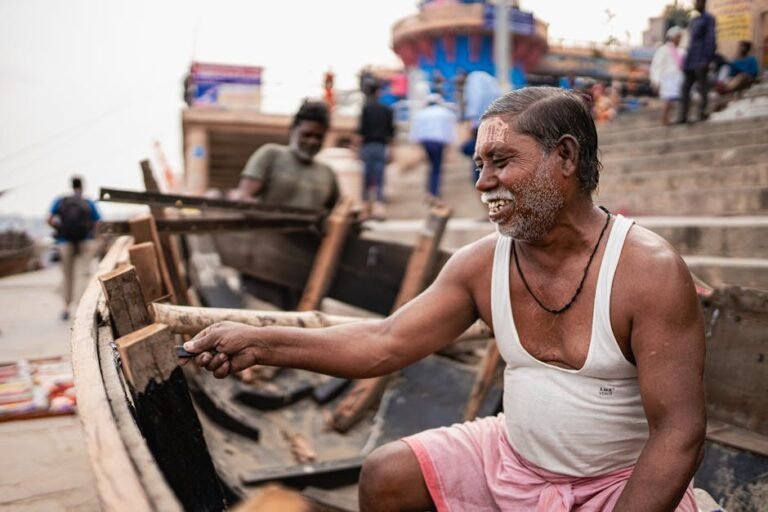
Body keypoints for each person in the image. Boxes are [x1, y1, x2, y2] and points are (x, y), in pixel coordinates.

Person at [183, 87, 706, 511]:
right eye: (478, 164)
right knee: (387, 475)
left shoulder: (648, 272)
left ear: (565, 156)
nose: (483, 182)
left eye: (501, 161)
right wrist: (260, 342)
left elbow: (679, 431)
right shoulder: (481, 264)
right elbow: (383, 343)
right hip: (512, 459)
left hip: (616, 484)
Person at [235, 101, 339, 211]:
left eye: (319, 137)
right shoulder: (270, 155)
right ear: (293, 129)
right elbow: (243, 198)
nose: (312, 141)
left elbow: (338, 212)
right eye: (307, 135)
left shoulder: (328, 173)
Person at [48, 176, 101, 320]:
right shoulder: (88, 202)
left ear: (71, 186)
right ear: (82, 186)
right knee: (82, 274)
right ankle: (80, 307)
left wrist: (59, 231)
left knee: (67, 275)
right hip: (85, 242)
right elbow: (97, 222)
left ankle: (65, 308)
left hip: (65, 242)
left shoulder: (61, 201)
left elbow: (49, 219)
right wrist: (95, 238)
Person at [409, 93, 457, 200]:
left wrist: (416, 146)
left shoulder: (421, 114)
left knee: (431, 166)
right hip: (438, 142)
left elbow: (415, 131)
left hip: (426, 142)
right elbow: (450, 132)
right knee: (436, 167)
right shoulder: (446, 113)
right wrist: (450, 148)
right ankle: (434, 192)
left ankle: (430, 191)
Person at [357, 82, 394, 218]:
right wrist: (391, 150)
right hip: (380, 146)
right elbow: (391, 132)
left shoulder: (366, 109)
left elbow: (361, 131)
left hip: (367, 146)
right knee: (380, 178)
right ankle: (379, 208)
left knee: (366, 177)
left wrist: (358, 150)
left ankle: (365, 208)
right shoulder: (386, 109)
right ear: (378, 92)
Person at [676, 0, 716, 124]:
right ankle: (682, 116)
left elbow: (711, 39)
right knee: (685, 88)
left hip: (701, 59)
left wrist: (706, 59)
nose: (696, 4)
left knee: (703, 87)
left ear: (703, 3)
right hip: (691, 59)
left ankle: (702, 113)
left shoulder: (708, 19)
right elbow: (688, 42)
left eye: (698, 2)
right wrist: (685, 61)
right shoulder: (693, 21)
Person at [650, 26, 685, 125]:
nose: (679, 39)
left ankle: (671, 118)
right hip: (667, 79)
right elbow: (656, 66)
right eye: (678, 37)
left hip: (677, 78)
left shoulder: (681, 51)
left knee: (674, 100)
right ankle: (664, 119)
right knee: (668, 100)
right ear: (672, 37)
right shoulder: (663, 50)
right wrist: (656, 81)